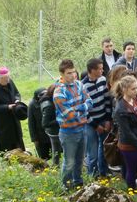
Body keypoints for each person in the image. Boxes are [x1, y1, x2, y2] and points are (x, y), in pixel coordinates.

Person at [53, 59, 92, 189]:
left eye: (73, 72)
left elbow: (90, 103)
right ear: (62, 74)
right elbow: (68, 115)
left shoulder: (80, 85)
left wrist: (77, 108)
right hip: (68, 132)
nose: (72, 75)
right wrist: (82, 109)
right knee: (69, 162)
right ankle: (66, 186)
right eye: (69, 73)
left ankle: (78, 183)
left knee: (80, 160)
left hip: (82, 129)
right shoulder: (59, 92)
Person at [113, 75, 137, 189]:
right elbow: (126, 132)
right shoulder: (120, 109)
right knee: (133, 170)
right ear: (125, 90)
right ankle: (132, 192)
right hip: (129, 145)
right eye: (133, 89)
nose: (136, 91)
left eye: (136, 88)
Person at [82, 58, 113, 177]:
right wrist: (95, 126)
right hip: (90, 122)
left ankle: (104, 171)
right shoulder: (83, 86)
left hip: (103, 118)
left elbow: (107, 100)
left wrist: (108, 119)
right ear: (91, 70)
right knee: (92, 151)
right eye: (99, 69)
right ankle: (93, 174)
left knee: (104, 147)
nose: (102, 70)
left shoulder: (102, 79)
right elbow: (84, 110)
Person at [0, 66, 25, 153]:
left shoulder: (9, 82)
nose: (8, 80)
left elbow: (16, 93)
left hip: (14, 117)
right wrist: (8, 107)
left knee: (17, 136)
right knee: (5, 140)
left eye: (8, 78)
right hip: (3, 121)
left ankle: (20, 154)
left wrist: (17, 100)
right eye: (5, 79)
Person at [40, 84, 61, 165]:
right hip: (53, 131)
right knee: (56, 150)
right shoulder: (48, 105)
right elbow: (45, 123)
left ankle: (56, 165)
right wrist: (59, 119)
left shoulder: (48, 99)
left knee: (57, 150)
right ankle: (56, 166)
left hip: (54, 129)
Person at [28, 88, 51, 160]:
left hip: (50, 132)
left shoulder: (49, 101)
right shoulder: (32, 105)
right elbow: (31, 123)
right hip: (40, 135)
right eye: (41, 95)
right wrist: (34, 139)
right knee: (44, 157)